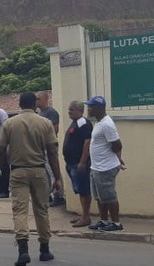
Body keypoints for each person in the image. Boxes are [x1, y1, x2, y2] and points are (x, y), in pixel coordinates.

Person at [0, 92, 62, 266]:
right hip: (39, 171)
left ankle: (23, 250)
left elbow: (1, 151)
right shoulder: (45, 123)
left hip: (18, 172)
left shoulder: (10, 123)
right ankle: (44, 249)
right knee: (42, 210)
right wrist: (58, 177)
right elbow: (52, 152)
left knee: (20, 211)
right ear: (35, 104)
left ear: (19, 104)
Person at [84, 95, 124, 231]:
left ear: (99, 108)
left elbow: (117, 144)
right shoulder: (99, 122)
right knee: (100, 197)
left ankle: (116, 223)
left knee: (109, 196)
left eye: (91, 107)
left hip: (106, 167)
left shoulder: (107, 124)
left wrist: (116, 157)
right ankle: (103, 220)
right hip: (97, 166)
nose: (88, 109)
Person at [62, 100, 93, 228]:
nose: (69, 112)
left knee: (84, 189)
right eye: (69, 109)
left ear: (80, 111)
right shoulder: (75, 123)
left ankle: (86, 217)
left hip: (79, 163)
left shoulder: (84, 123)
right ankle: (83, 215)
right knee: (80, 190)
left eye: (72, 110)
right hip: (71, 163)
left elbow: (87, 142)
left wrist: (82, 162)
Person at [37, 90, 65, 207]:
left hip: (49, 147)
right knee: (45, 173)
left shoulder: (51, 112)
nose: (36, 101)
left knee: (53, 170)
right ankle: (48, 195)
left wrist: (47, 143)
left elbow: (55, 130)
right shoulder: (39, 113)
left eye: (39, 98)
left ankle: (59, 195)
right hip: (41, 147)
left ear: (45, 99)